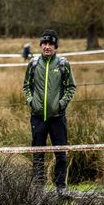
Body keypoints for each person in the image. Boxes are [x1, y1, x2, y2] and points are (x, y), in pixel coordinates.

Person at [23, 29, 76, 194]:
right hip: (38, 117)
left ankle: (61, 187)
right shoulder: (33, 64)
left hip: (57, 118)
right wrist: (31, 102)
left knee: (60, 153)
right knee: (38, 153)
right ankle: (38, 188)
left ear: (55, 47)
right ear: (41, 45)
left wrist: (61, 104)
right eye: (44, 43)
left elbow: (70, 87)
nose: (47, 47)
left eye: (51, 44)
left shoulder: (62, 64)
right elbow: (26, 86)